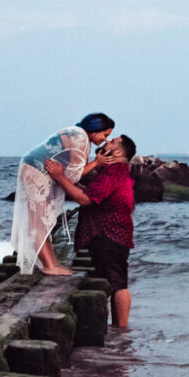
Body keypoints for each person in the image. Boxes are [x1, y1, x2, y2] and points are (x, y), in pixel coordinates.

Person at [45, 134, 137, 328]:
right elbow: (91, 193)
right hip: (109, 234)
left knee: (118, 283)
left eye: (112, 142)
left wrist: (60, 177)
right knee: (110, 281)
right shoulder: (114, 172)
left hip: (110, 235)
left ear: (118, 152)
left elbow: (85, 199)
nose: (106, 142)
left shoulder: (115, 171)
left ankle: (121, 331)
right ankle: (115, 329)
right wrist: (68, 182)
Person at [11, 113, 115, 276]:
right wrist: (96, 163)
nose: (106, 140)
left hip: (34, 169)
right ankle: (48, 266)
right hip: (36, 172)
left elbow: (69, 171)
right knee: (39, 221)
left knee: (41, 220)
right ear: (95, 130)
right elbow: (74, 175)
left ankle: (51, 263)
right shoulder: (80, 137)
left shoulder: (77, 134)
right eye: (105, 135)